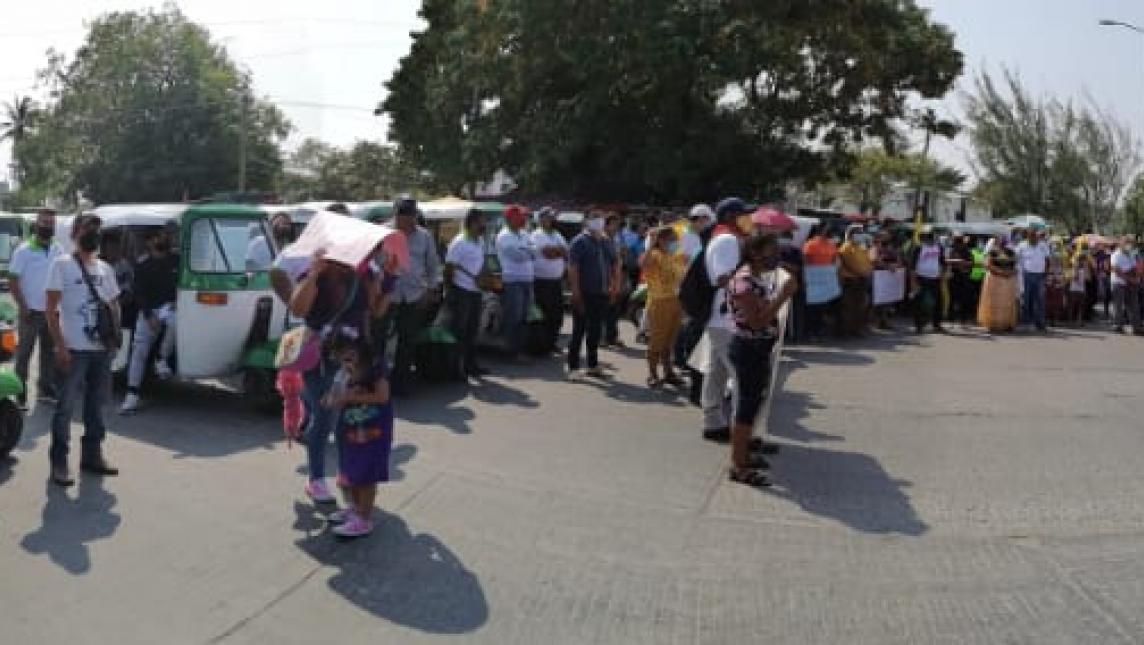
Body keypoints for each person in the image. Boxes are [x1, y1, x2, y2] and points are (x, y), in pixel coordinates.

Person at [288, 252, 377, 504]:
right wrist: (314, 274)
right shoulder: (315, 271)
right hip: (319, 358)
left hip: (352, 359)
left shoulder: (362, 272)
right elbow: (297, 308)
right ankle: (315, 478)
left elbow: (371, 311)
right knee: (326, 416)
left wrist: (387, 278)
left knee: (346, 420)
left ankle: (345, 474)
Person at [44, 213, 121, 486]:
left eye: (98, 229)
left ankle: (92, 457)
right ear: (76, 232)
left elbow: (113, 304)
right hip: (73, 349)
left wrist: (114, 339)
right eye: (89, 228)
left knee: (97, 407)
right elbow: (51, 311)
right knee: (65, 408)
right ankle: (59, 463)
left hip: (101, 350)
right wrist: (60, 346)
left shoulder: (105, 269)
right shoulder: (61, 265)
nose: (94, 234)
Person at [726, 233, 797, 488]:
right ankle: (738, 464)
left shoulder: (757, 277)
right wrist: (783, 295)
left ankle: (744, 454)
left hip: (758, 348)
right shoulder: (744, 282)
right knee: (746, 407)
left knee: (753, 403)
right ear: (756, 253)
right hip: (748, 348)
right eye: (771, 249)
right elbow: (756, 322)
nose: (776, 255)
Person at [322, 333, 394, 538]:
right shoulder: (345, 371)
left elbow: (382, 396)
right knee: (351, 470)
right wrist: (331, 399)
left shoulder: (376, 368)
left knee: (366, 474)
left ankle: (364, 518)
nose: (344, 361)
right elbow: (337, 394)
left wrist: (353, 396)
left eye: (348, 355)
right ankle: (354, 508)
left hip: (373, 431)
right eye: (339, 357)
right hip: (352, 429)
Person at [700, 197, 753, 443]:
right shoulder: (728, 240)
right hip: (728, 318)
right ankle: (741, 431)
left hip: (722, 318)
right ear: (732, 216)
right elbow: (724, 278)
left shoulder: (726, 238)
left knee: (717, 373)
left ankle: (714, 424)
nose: (749, 219)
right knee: (743, 375)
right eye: (745, 215)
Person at [379, 197, 440, 395]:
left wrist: (430, 290)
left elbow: (432, 265)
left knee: (407, 340)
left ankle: (401, 383)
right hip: (386, 295)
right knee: (379, 339)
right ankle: (376, 381)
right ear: (395, 216)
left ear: (415, 216)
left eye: (409, 217)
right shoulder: (382, 233)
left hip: (413, 295)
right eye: (401, 217)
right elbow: (371, 264)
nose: (405, 222)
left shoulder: (424, 237)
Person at [120, 228, 179, 414]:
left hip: (169, 308)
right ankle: (132, 394)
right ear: (149, 241)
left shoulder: (176, 260)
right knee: (139, 351)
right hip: (149, 311)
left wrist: (177, 300)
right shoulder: (143, 265)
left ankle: (161, 359)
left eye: (164, 234)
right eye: (158, 236)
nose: (163, 239)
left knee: (176, 324)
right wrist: (148, 315)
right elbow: (139, 292)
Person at [10, 208, 61, 408]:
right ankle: (19, 394)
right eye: (45, 222)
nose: (48, 226)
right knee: (24, 354)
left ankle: (45, 390)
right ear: (37, 224)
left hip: (51, 312)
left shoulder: (58, 248)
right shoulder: (24, 250)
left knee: (49, 354)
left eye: (51, 223)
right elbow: (13, 281)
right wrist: (22, 306)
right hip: (30, 312)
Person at [567, 210, 619, 378]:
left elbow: (614, 263)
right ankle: (573, 367)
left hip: (601, 292)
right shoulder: (579, 242)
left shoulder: (605, 241)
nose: (599, 222)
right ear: (587, 222)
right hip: (584, 293)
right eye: (595, 219)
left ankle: (592, 364)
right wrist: (575, 292)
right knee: (579, 330)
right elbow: (573, 268)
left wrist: (613, 287)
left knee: (595, 330)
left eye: (600, 219)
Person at [445, 209, 489, 378]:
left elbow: (482, 261)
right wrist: (450, 292)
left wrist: (485, 277)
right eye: (481, 222)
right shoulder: (459, 242)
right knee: (460, 331)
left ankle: (471, 365)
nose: (484, 225)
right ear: (472, 223)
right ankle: (457, 369)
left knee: (472, 330)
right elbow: (449, 269)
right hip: (462, 291)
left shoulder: (479, 240)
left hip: (476, 291)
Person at [640, 226, 686, 388]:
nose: (675, 242)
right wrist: (651, 243)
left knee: (670, 340)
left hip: (676, 302)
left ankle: (668, 372)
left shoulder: (676, 256)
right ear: (662, 240)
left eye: (676, 239)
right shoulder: (655, 255)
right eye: (671, 239)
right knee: (657, 340)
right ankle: (652, 374)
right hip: (659, 302)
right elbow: (643, 264)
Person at [495, 204, 535, 360]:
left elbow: (534, 251)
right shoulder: (504, 236)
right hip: (513, 280)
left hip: (527, 279)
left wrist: (527, 251)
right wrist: (528, 251)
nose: (524, 219)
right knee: (514, 316)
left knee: (524, 316)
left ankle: (519, 349)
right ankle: (509, 351)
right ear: (510, 218)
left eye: (524, 216)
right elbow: (518, 256)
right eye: (520, 216)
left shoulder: (525, 234)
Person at [530, 207, 568, 354]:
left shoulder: (557, 234)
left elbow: (566, 252)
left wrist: (557, 251)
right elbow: (548, 253)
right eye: (546, 217)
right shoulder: (536, 235)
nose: (549, 220)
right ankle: (542, 345)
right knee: (543, 313)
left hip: (556, 281)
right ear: (540, 219)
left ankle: (552, 343)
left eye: (551, 217)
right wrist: (558, 251)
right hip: (541, 281)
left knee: (556, 314)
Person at [802, 225, 839, 338]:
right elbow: (806, 262)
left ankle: (819, 330)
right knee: (813, 307)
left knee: (823, 306)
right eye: (827, 231)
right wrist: (806, 279)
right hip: (814, 280)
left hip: (826, 280)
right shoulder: (810, 244)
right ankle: (811, 331)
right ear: (821, 231)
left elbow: (833, 261)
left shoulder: (831, 245)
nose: (829, 233)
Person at [977, 234, 1019, 333]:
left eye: (1004, 240)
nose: (1002, 242)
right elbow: (987, 265)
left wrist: (1010, 273)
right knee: (993, 303)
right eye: (999, 240)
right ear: (996, 242)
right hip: (995, 280)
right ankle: (992, 324)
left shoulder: (1011, 252)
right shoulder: (992, 252)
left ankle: (1007, 324)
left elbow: (1015, 266)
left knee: (1008, 303)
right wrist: (1000, 272)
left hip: (1008, 282)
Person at [837, 226, 873, 337]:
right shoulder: (846, 248)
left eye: (861, 233)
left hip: (861, 280)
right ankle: (845, 330)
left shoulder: (861, 247)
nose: (860, 236)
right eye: (858, 233)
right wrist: (862, 273)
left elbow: (868, 261)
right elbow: (849, 264)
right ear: (851, 235)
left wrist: (868, 270)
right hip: (850, 280)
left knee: (860, 306)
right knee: (849, 307)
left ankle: (856, 329)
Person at [909, 231, 945, 333]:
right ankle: (918, 325)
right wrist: (913, 282)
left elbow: (942, 263)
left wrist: (941, 276)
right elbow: (912, 266)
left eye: (932, 237)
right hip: (921, 278)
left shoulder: (939, 247)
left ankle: (936, 324)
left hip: (935, 278)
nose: (931, 239)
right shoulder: (918, 248)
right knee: (918, 302)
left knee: (938, 301)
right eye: (929, 237)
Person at [1016, 228, 1051, 332]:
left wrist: (1046, 273)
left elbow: (1047, 259)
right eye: (1031, 236)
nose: (1033, 238)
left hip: (1040, 276)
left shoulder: (1043, 245)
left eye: (1034, 236)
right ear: (1027, 237)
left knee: (1040, 300)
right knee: (1026, 300)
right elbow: (1015, 257)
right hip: (1026, 275)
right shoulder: (1022, 245)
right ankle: (1026, 322)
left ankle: (1040, 323)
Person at [602, 214, 628, 348]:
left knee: (614, 308)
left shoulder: (617, 238)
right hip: (607, 277)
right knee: (605, 308)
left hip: (617, 275)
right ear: (606, 225)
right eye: (614, 223)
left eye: (618, 224)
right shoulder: (603, 239)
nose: (617, 226)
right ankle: (603, 338)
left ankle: (612, 336)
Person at [868, 231, 903, 330]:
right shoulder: (874, 248)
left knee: (886, 302)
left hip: (888, 279)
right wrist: (888, 266)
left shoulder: (890, 249)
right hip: (877, 278)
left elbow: (898, 260)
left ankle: (885, 321)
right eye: (884, 236)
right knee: (877, 301)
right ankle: (876, 322)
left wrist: (895, 265)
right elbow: (874, 260)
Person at [1110, 235, 1141, 334]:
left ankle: (1136, 327)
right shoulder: (1116, 255)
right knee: (1118, 306)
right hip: (1118, 283)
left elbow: (1134, 267)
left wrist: (1136, 277)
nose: (1130, 245)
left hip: (1130, 284)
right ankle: (1118, 326)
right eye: (1128, 243)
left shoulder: (1131, 254)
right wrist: (1130, 279)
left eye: (1131, 243)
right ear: (1121, 244)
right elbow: (1116, 270)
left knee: (1134, 305)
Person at [946, 235, 976, 326]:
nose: (957, 243)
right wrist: (956, 262)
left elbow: (971, 263)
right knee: (953, 299)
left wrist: (961, 263)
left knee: (963, 299)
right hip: (954, 276)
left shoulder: (966, 251)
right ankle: (952, 319)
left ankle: (962, 320)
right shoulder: (951, 250)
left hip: (964, 277)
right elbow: (947, 261)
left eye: (958, 241)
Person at [1068, 244, 1094, 326]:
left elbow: (1088, 278)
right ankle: (1071, 321)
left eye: (1084, 260)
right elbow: (1074, 277)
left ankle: (1079, 321)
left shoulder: (1085, 268)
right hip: (1074, 289)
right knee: (1073, 306)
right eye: (1081, 260)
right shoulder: (1074, 267)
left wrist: (1086, 269)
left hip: (1082, 289)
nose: (1082, 261)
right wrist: (1076, 269)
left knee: (1081, 306)